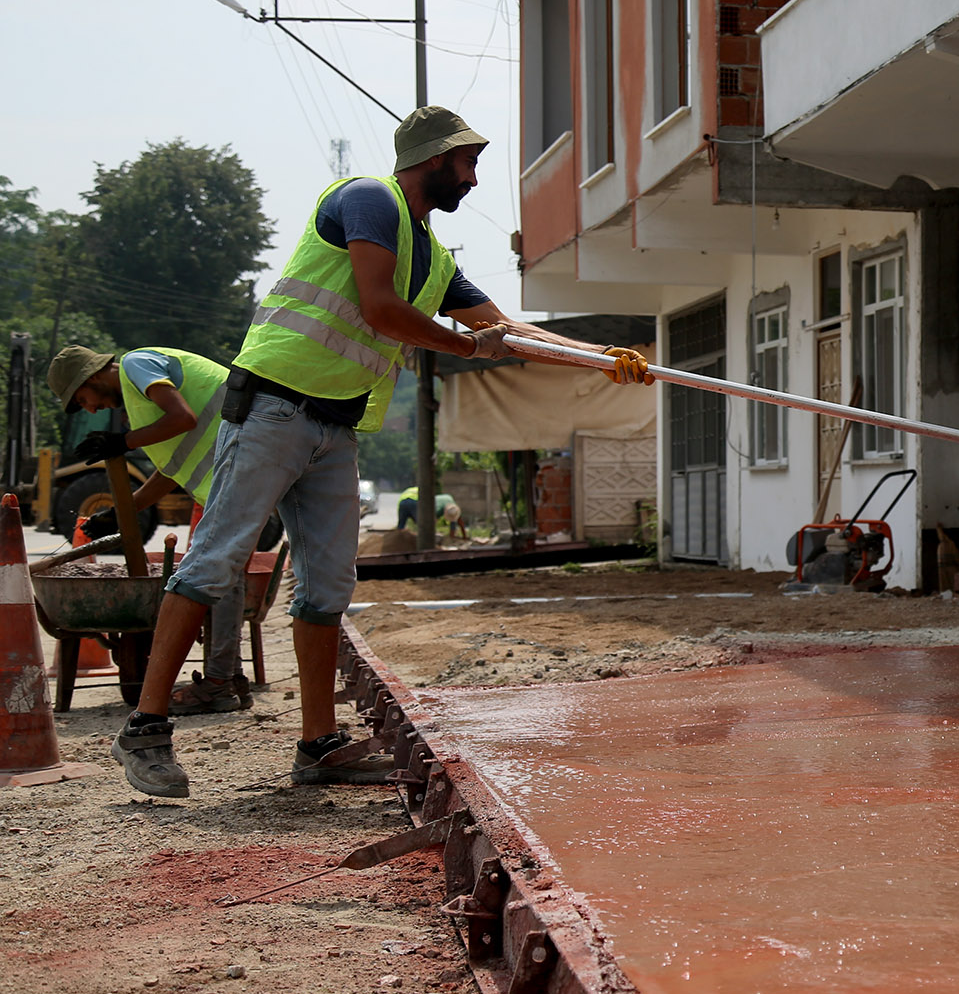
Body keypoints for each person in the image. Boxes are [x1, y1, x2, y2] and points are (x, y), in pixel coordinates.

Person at [111, 106, 655, 798]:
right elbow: (377, 306)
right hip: (274, 405)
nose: (475, 178)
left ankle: (318, 746)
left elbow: (507, 330)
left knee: (327, 587)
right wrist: (463, 346)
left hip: (334, 429)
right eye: (470, 163)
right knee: (215, 560)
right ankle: (146, 728)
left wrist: (603, 359)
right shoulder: (368, 199)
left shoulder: (433, 258)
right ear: (436, 158)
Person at [48, 344, 258, 712]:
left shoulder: (136, 364)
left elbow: (184, 418)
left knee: (217, 572)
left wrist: (122, 443)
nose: (92, 409)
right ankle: (227, 677)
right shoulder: (141, 405)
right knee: (224, 573)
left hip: (252, 454)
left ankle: (220, 683)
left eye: (83, 399)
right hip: (241, 466)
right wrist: (119, 512)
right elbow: (171, 469)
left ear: (93, 376)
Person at [395, 485, 461, 534]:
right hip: (415, 501)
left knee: (401, 526)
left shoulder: (449, 500)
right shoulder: (438, 508)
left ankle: (398, 540)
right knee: (423, 527)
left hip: (402, 502)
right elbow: (431, 520)